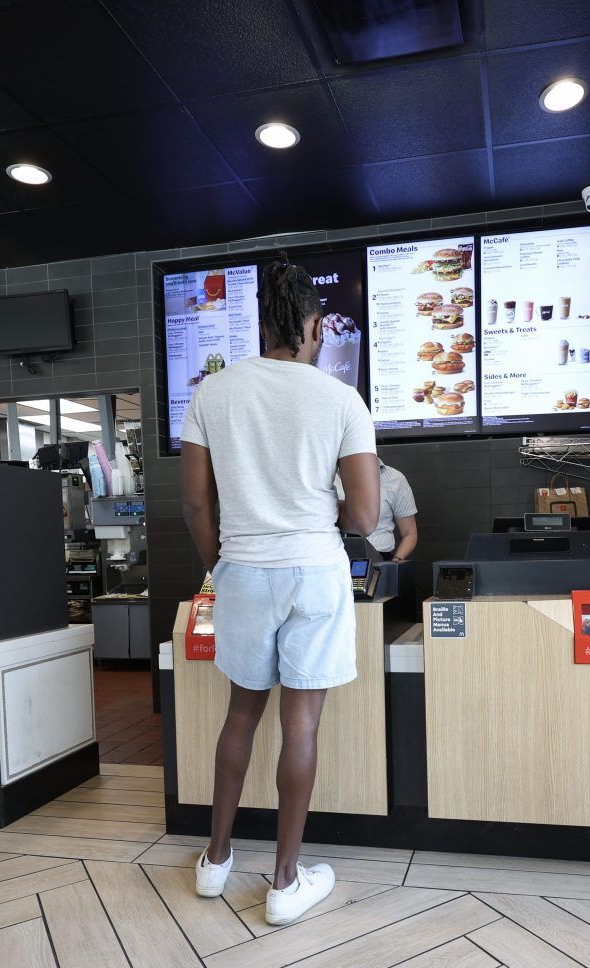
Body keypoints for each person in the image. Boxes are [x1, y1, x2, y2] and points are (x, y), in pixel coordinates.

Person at [181, 254, 380, 926]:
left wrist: (222, 562)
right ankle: (286, 883)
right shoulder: (341, 399)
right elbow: (365, 516)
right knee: (301, 721)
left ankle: (214, 861)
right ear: (314, 326)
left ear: (261, 325)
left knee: (241, 714)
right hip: (314, 570)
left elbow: (194, 505)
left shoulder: (213, 392)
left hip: (242, 569)